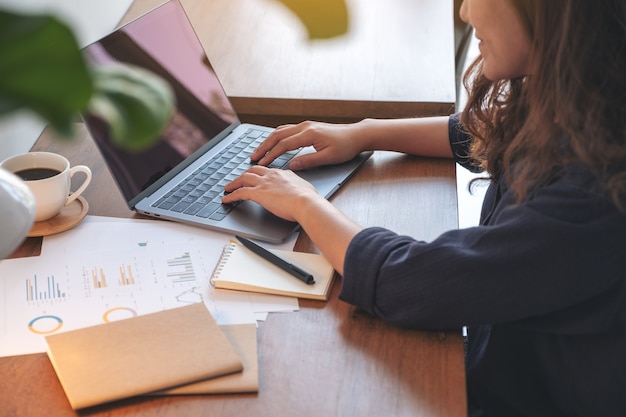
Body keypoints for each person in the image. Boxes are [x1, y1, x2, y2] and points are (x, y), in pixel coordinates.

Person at [223, 0, 626, 415]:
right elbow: (482, 132)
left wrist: (304, 203)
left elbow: (413, 281)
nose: (466, 12)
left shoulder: (595, 194)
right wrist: (362, 134)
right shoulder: (588, 104)